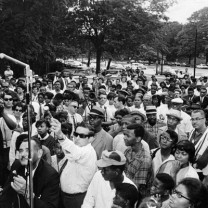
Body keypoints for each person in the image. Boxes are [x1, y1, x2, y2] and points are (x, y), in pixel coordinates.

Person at [0, 135, 60, 208]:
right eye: (20, 151)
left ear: (39, 153)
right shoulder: (17, 165)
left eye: (27, 150)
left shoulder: (50, 175)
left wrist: (28, 193)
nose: (22, 154)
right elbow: (6, 196)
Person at [50, 120, 97, 208]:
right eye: (76, 134)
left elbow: (75, 152)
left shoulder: (88, 151)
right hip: (65, 196)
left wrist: (60, 135)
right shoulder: (78, 148)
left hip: (77, 198)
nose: (77, 138)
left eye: (82, 136)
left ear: (91, 138)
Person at [124, 123, 153, 198]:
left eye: (128, 136)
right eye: (124, 134)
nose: (124, 138)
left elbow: (136, 187)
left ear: (138, 139)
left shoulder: (145, 160)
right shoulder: (128, 151)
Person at [188, 109, 208, 178]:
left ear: (204, 119)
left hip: (203, 173)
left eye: (197, 119)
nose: (194, 122)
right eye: (192, 119)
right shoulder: (192, 132)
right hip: (190, 170)